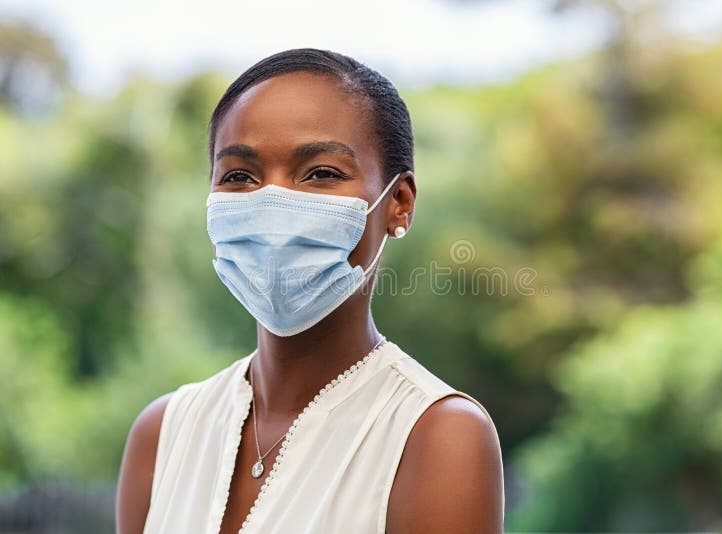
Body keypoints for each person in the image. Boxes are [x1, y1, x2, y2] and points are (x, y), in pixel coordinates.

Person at [115, 48, 504, 534]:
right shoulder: (162, 435)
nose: (273, 199)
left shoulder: (436, 436)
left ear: (398, 204)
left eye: (321, 173)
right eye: (239, 176)